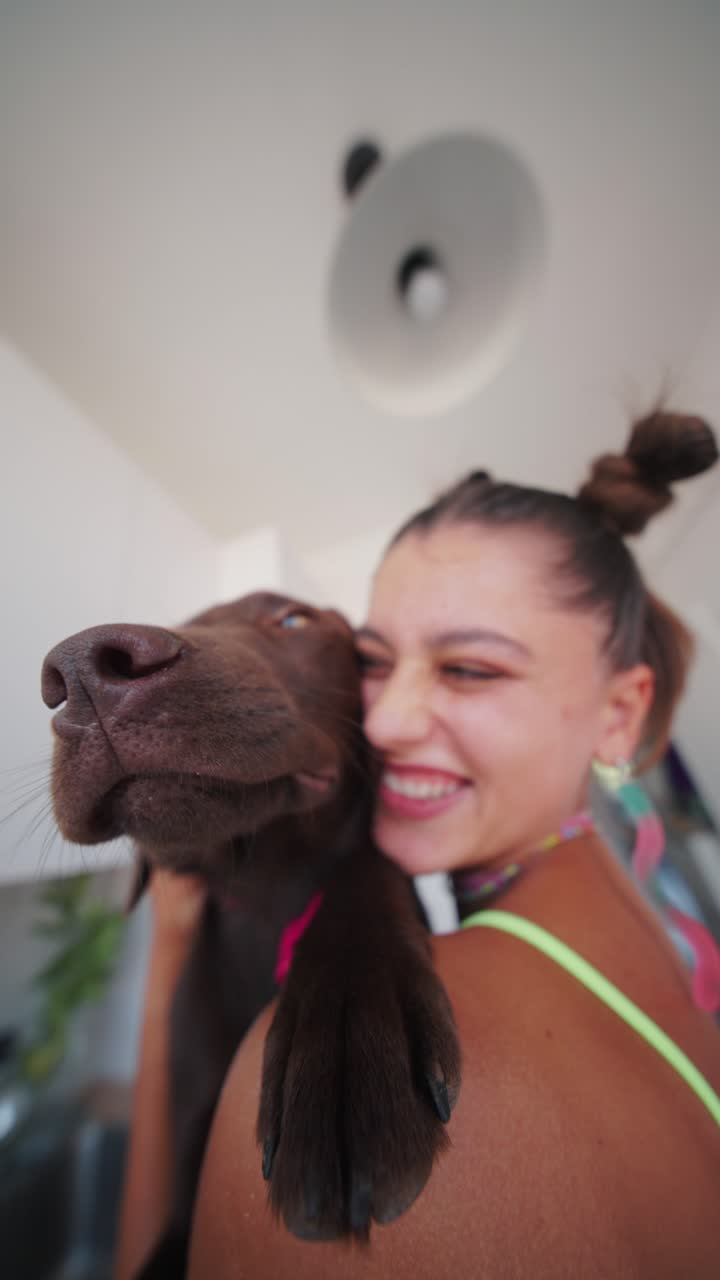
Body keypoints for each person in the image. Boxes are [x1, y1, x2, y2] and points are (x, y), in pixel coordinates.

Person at [119, 411, 720, 1279]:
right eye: (374, 660)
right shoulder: (647, 934)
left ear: (620, 714)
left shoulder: (379, 1095)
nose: (386, 722)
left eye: (470, 669)